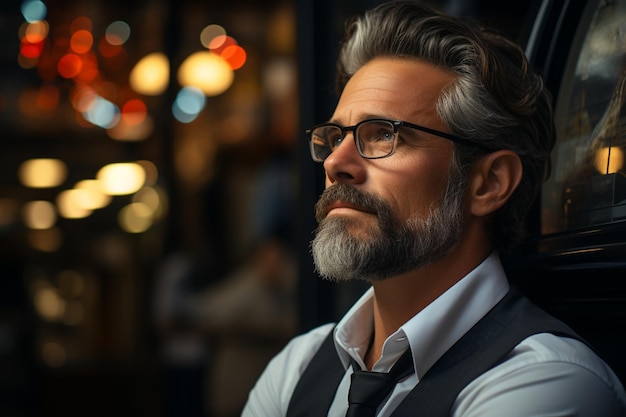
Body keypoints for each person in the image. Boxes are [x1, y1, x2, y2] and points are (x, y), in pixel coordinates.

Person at [242, 1, 626, 416]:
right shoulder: (296, 367)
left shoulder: (548, 382)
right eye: (335, 138)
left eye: (383, 134)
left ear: (489, 183)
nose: (336, 163)